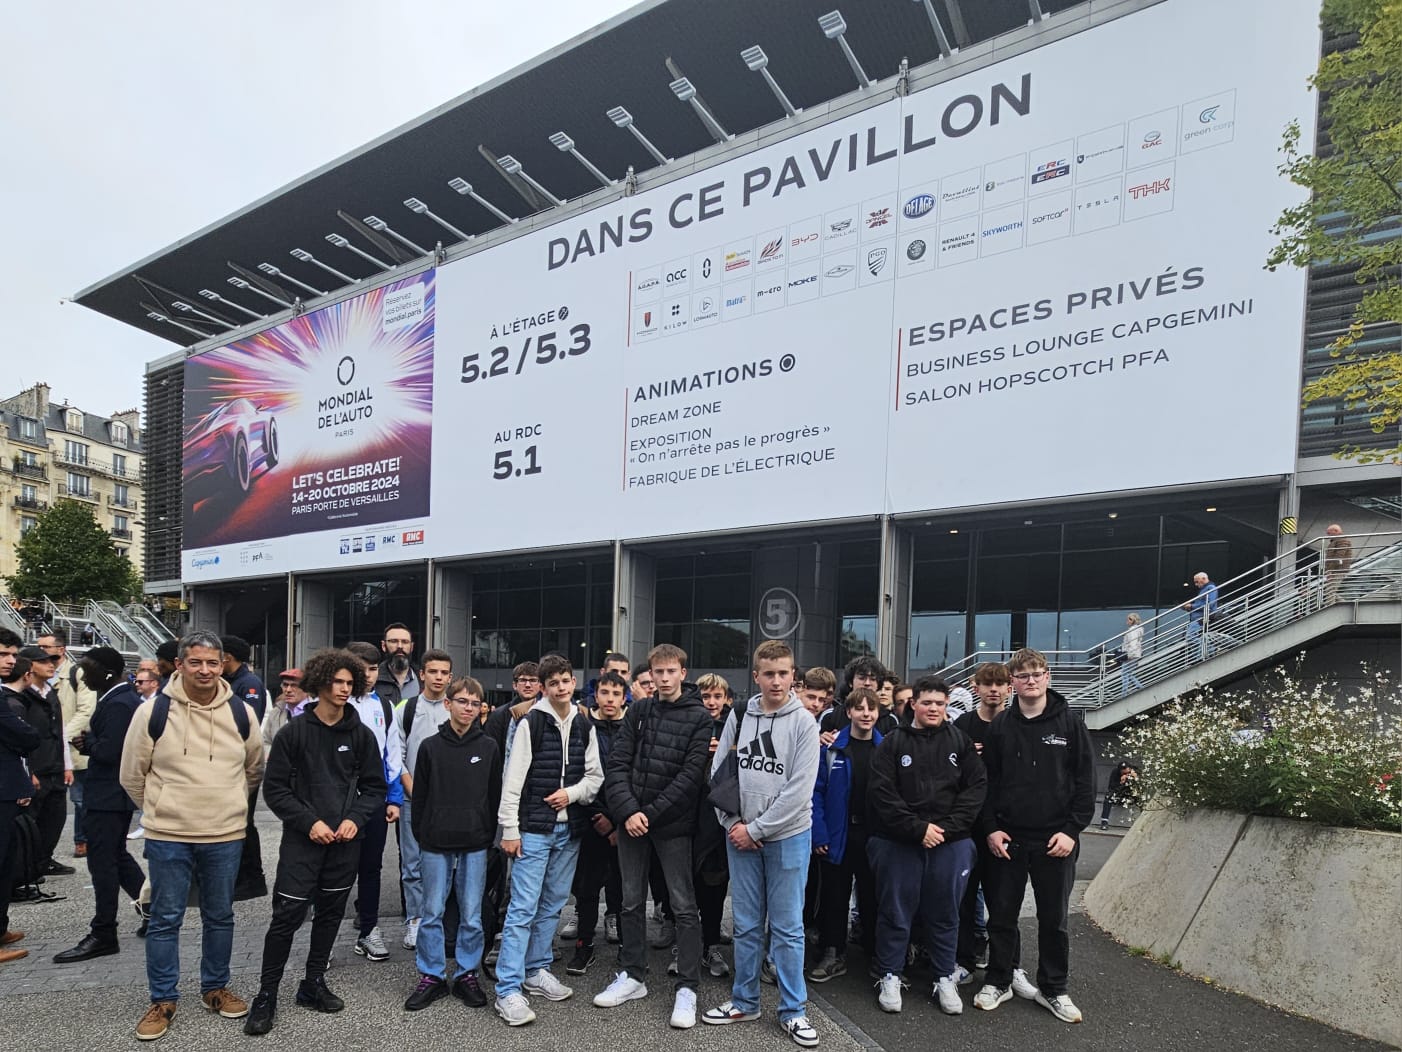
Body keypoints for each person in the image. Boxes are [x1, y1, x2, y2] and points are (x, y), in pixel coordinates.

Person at [118, 631, 264, 1042]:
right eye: (196, 662)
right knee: (166, 918)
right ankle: (163, 998)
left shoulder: (240, 711)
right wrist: (163, 808)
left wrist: (229, 801)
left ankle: (214, 987)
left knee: (220, 915)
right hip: (169, 834)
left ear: (223, 665)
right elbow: (131, 774)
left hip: (225, 833)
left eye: (212, 663)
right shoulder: (154, 711)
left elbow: (254, 769)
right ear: (180, 664)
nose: (205, 670)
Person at [243, 649, 387, 1036]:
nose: (343, 688)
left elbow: (375, 787)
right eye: (337, 681)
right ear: (320, 683)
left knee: (329, 915)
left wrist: (356, 819)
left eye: (349, 683)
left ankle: (312, 984)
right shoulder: (294, 733)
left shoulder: (361, 735)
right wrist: (310, 823)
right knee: (286, 918)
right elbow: (275, 790)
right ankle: (266, 994)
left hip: (344, 842)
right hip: (303, 842)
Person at [701, 639, 821, 1047]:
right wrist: (734, 823)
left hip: (786, 837)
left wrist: (756, 830)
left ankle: (793, 1010)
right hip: (740, 834)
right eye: (768, 673)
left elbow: (799, 791)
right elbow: (719, 774)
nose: (776, 681)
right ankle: (745, 1000)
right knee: (747, 926)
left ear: (793, 676)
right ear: (756, 676)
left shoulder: (804, 722)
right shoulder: (740, 713)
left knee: (787, 928)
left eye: (783, 673)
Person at [594, 643, 714, 1029]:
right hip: (632, 823)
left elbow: (690, 777)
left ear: (683, 672)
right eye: (656, 672)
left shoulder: (699, 717)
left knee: (683, 905)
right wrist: (628, 811)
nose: (663, 679)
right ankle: (633, 974)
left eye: (670, 672)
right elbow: (618, 764)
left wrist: (648, 813)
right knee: (630, 901)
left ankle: (688, 986)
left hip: (672, 826)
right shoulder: (640, 710)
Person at [974, 648, 1094, 1025]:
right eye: (1022, 675)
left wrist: (1072, 830)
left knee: (1053, 919)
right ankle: (999, 980)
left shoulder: (1070, 724)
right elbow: (987, 784)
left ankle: (1054, 988)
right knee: (1002, 917)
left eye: (1036, 674)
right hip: (1008, 839)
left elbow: (1086, 782)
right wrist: (991, 828)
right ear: (1013, 682)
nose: (1030, 681)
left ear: (1048, 677)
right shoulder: (1001, 728)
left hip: (1055, 840)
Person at [494, 653, 603, 1027]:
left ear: (573, 682)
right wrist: (509, 829)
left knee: (553, 902)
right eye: (553, 682)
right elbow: (513, 780)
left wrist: (571, 795)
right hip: (534, 830)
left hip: (568, 829)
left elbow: (594, 778)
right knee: (522, 907)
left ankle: (536, 969)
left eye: (566, 680)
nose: (561, 687)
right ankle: (508, 988)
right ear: (542, 687)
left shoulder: (584, 724)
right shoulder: (531, 724)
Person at [867, 677, 986, 1017]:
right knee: (895, 911)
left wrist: (945, 830)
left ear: (947, 706)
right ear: (913, 705)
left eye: (940, 703)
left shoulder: (960, 742)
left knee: (946, 912)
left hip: (950, 842)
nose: (933, 708)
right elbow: (882, 794)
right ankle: (890, 974)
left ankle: (943, 975)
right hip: (899, 841)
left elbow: (975, 790)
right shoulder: (892, 743)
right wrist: (917, 829)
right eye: (927, 702)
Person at [404, 676, 500, 1013]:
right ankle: (431, 975)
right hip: (435, 842)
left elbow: (494, 794)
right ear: (448, 704)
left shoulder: (488, 747)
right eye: (462, 701)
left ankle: (466, 974)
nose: (468, 708)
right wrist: (424, 833)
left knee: (472, 914)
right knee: (432, 912)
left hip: (475, 842)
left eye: (475, 703)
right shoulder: (430, 747)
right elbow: (420, 797)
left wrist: (488, 835)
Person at [53, 647, 148, 963]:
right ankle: (154, 911)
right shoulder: (120, 698)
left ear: (108, 671)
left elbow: (112, 751)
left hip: (109, 795)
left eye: (87, 668)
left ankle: (104, 932)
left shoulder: (120, 702)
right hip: (111, 795)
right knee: (116, 857)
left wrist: (87, 743)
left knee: (103, 863)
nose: (82, 674)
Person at [809, 687, 883, 983]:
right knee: (834, 897)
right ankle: (832, 951)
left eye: (872, 709)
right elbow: (815, 794)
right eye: (860, 708)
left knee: (873, 896)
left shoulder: (887, 749)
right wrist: (820, 834)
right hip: (838, 834)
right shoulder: (830, 750)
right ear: (849, 712)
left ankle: (876, 952)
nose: (866, 714)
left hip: (875, 836)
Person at [343, 641, 405, 963]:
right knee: (333, 872)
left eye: (372, 668)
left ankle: (368, 930)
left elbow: (392, 757)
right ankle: (321, 940)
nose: (367, 674)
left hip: (375, 800)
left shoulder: (384, 706)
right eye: (360, 667)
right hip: (337, 801)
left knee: (371, 868)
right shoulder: (331, 702)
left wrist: (394, 797)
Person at [953, 662, 1012, 979]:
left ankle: (1007, 967)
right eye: (987, 683)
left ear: (1008, 688)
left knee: (1004, 902)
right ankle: (963, 961)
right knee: (963, 899)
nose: (993, 689)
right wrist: (967, 760)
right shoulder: (962, 724)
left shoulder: (1016, 723)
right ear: (975, 687)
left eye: (999, 683)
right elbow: (947, 772)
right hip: (966, 826)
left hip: (1004, 826)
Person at [568, 669, 629, 975]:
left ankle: (626, 949)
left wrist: (619, 821)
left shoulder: (632, 728)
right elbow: (577, 775)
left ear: (624, 697)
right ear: (596, 695)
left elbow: (636, 777)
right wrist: (597, 817)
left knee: (623, 886)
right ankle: (584, 945)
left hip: (624, 824)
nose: (610, 699)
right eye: (605, 693)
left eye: (616, 694)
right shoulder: (582, 727)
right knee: (587, 887)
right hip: (592, 819)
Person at [395, 649, 454, 951]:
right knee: (413, 862)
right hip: (412, 799)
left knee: (446, 862)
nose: (438, 677)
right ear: (422, 674)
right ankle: (415, 918)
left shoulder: (455, 708)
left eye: (444, 673)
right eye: (433, 671)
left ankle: (439, 917)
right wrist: (413, 790)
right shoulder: (406, 708)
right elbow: (397, 755)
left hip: (447, 801)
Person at [12, 645, 72, 878]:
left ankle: (44, 861)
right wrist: (28, 773)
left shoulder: (51, 691)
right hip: (36, 769)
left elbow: (61, 730)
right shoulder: (20, 697)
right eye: (44, 661)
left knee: (54, 820)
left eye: (52, 660)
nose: (51, 665)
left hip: (56, 767)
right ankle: (25, 869)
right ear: (29, 665)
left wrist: (67, 764)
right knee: (30, 822)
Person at [690, 674, 733, 980]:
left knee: (715, 886)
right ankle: (688, 946)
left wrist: (726, 752)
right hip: (688, 818)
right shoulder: (688, 724)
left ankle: (712, 943)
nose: (712, 703)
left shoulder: (734, 727)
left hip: (718, 821)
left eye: (717, 696)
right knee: (686, 889)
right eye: (706, 696)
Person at [0, 643, 41, 965]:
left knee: (7, 860)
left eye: (12, 654)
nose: (11, 661)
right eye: (3, 654)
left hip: (8, 786)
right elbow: (27, 736)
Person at [39, 630, 95, 862]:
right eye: (39, 647)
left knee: (79, 798)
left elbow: (86, 710)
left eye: (45, 647)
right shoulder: (33, 674)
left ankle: (82, 840)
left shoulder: (76, 673)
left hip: (71, 746)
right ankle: (41, 852)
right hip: (44, 750)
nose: (40, 651)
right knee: (47, 800)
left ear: (60, 650)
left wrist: (62, 736)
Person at [222, 634, 269, 901]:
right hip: (225, 766)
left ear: (228, 657)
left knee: (244, 823)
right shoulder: (227, 681)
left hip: (242, 764)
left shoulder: (249, 684)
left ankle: (251, 877)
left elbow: (245, 723)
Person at [260, 669, 308, 751]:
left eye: (294, 685)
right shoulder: (275, 713)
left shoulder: (316, 712)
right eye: (285, 685)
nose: (288, 690)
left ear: (306, 688)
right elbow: (266, 742)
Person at [373, 622, 420, 705]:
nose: (400, 646)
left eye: (405, 642)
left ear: (411, 647)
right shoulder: (373, 679)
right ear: (383, 646)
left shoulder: (422, 680)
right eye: (394, 641)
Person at [1182, 572, 1219, 659]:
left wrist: (1192, 606)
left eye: (1197, 582)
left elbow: (1209, 604)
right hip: (1199, 619)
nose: (1196, 584)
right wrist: (1190, 608)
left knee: (1190, 637)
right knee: (1195, 637)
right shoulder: (1205, 589)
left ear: (1203, 579)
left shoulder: (1211, 587)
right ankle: (1207, 653)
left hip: (1201, 619)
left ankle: (1207, 653)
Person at [1099, 761, 1140, 829]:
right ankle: (1104, 821)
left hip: (1130, 794)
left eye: (1127, 772)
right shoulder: (1115, 772)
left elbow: (1140, 785)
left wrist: (1133, 778)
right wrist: (1121, 783)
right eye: (1124, 773)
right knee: (1108, 798)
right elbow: (1111, 787)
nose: (1125, 774)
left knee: (1139, 798)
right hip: (1119, 794)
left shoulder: (1134, 770)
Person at [1323, 524, 1354, 602]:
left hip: (1338, 569)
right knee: (1331, 590)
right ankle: (1347, 605)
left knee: (1330, 590)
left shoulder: (1342, 540)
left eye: (1329, 533)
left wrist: (1330, 571)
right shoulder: (1337, 541)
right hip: (1336, 569)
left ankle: (1329, 607)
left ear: (1336, 531)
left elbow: (1339, 556)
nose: (1328, 535)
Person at [1119, 614, 1146, 697]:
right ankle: (1140, 688)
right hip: (1135, 654)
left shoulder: (1133, 630)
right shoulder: (1137, 630)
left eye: (1129, 619)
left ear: (1133, 620)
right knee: (1128, 674)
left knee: (1125, 674)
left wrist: (1129, 655)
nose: (1127, 621)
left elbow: (1133, 644)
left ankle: (1124, 694)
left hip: (1131, 655)